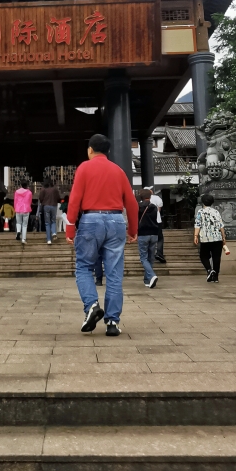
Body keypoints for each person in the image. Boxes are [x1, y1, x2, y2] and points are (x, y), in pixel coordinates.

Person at [65, 133, 138, 336]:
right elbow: (131, 203)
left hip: (91, 220)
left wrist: (70, 227)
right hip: (116, 221)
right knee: (114, 274)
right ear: (108, 151)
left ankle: (91, 306)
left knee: (84, 267)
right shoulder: (118, 171)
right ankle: (112, 322)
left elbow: (75, 199)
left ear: (90, 150)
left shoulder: (84, 168)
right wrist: (133, 230)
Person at [194, 192, 230, 282]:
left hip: (205, 238)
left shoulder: (200, 212)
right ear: (212, 202)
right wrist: (223, 237)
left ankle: (209, 270)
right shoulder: (216, 212)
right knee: (216, 257)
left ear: (202, 202)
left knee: (203, 256)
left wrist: (195, 236)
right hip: (217, 238)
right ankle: (216, 277)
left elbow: (198, 224)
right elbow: (221, 225)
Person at [136, 189, 160, 289]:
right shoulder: (154, 207)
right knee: (151, 257)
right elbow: (158, 220)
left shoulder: (138, 206)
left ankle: (152, 275)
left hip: (143, 234)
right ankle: (147, 280)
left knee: (143, 257)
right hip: (154, 234)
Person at [39, 178, 60, 244]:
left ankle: (48, 240)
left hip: (46, 206)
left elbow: (40, 198)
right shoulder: (55, 189)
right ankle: (54, 232)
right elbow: (58, 198)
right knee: (53, 221)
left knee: (47, 223)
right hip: (54, 206)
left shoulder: (43, 189)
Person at [13, 180, 33, 244]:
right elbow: (30, 202)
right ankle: (23, 239)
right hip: (26, 209)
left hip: (18, 209)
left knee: (18, 223)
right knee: (24, 225)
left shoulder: (16, 192)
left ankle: (18, 231)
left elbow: (15, 201)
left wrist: (15, 208)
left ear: (21, 185)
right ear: (27, 185)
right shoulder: (29, 192)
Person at [149, 188, 166, 263]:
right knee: (159, 238)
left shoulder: (142, 200)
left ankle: (149, 255)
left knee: (149, 238)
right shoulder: (157, 198)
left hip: (147, 222)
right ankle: (159, 253)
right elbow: (159, 209)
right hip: (157, 220)